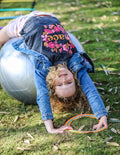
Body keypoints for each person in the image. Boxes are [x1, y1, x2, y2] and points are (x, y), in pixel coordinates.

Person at [0, 11, 108, 134]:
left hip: (25, 23)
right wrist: (102, 116)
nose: (63, 79)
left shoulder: (42, 68)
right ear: (75, 78)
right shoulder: (75, 64)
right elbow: (90, 90)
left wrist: (50, 128)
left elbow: (42, 95)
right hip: (50, 17)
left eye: (60, 84)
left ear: (52, 85)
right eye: (69, 82)